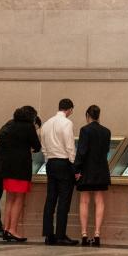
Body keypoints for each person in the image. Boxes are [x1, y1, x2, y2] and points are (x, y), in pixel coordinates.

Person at [0, 105, 41, 242]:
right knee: (19, 199)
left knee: (9, 199)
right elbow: (37, 146)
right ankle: (13, 230)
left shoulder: (10, 123)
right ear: (31, 116)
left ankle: (6, 229)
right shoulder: (28, 127)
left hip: (8, 166)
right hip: (21, 167)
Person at [41, 99, 78, 245]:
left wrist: (48, 160)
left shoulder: (46, 123)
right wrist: (73, 164)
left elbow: (44, 146)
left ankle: (49, 235)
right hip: (64, 163)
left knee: (50, 199)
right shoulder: (67, 123)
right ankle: (61, 235)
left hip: (50, 163)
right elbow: (70, 146)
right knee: (64, 200)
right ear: (69, 109)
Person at [74, 104, 112, 247]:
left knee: (84, 201)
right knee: (99, 201)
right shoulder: (106, 132)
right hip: (101, 169)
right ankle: (97, 234)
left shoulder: (85, 130)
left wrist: (76, 169)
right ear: (98, 116)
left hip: (86, 170)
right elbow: (107, 150)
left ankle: (84, 235)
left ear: (87, 116)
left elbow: (82, 151)